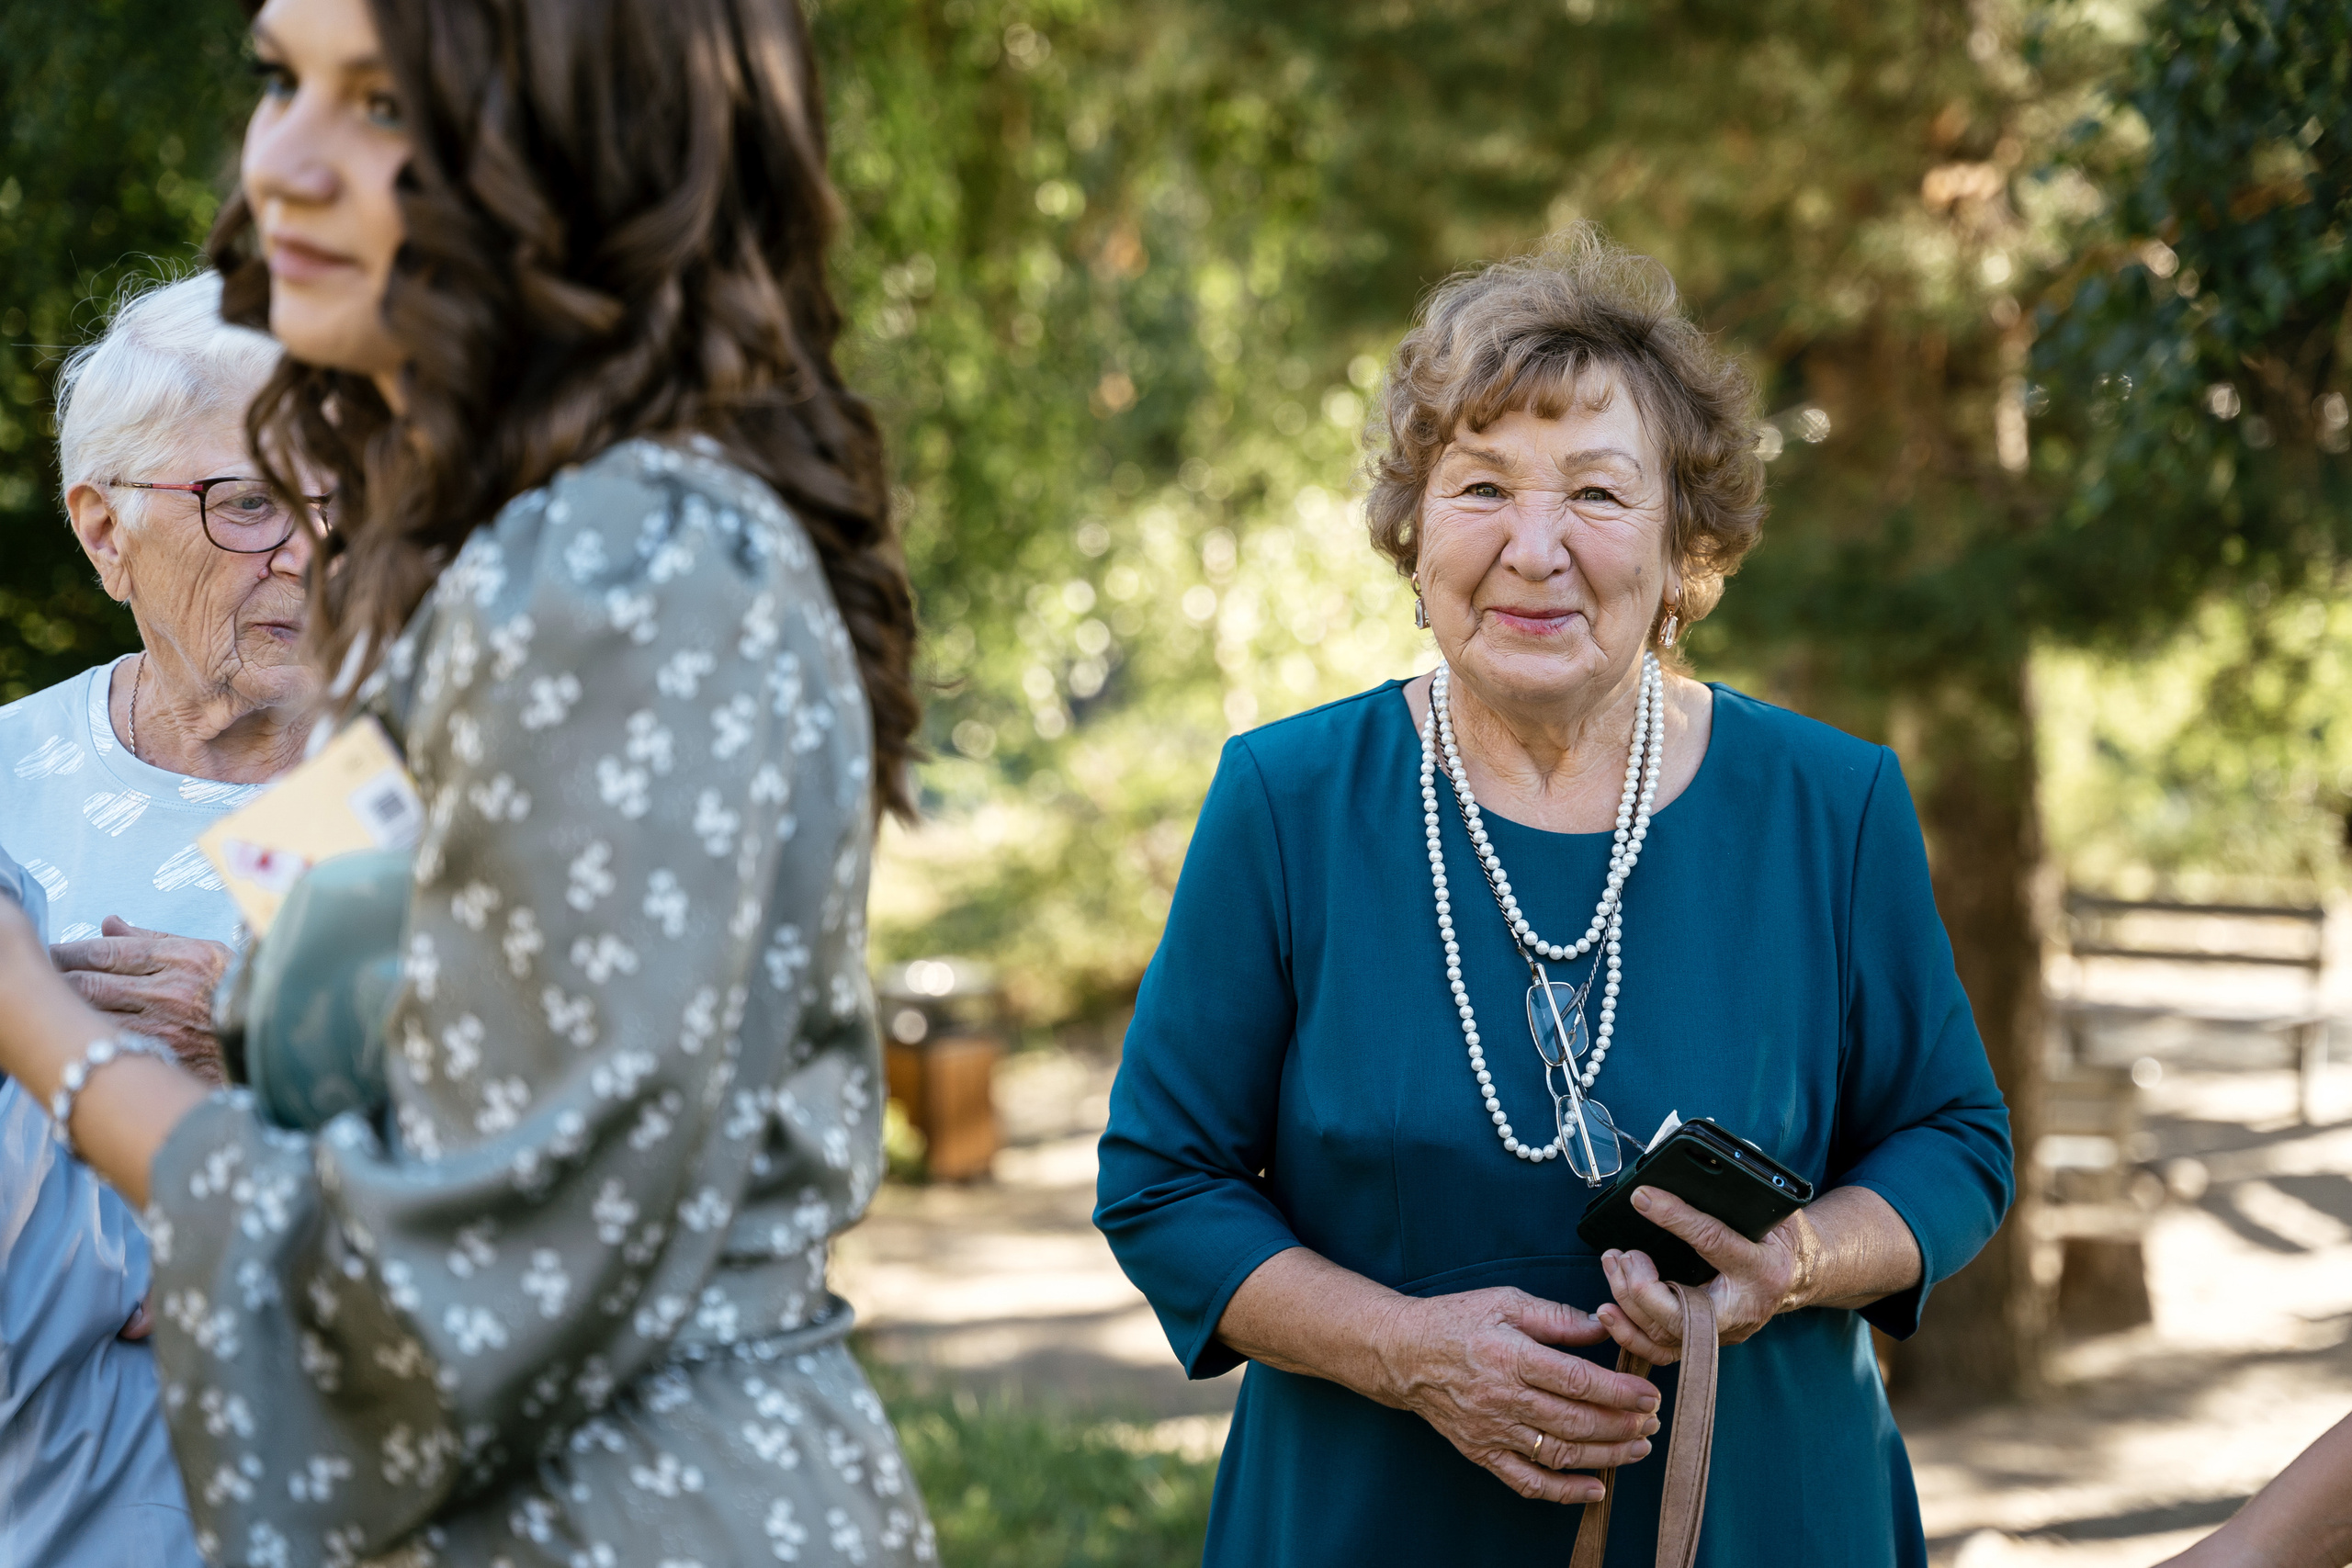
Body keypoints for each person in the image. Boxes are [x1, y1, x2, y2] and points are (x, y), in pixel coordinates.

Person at [0, 0, 932, 1561]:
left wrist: (44, 1028)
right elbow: (439, 1055)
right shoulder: (530, 563)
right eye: (282, 79)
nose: (283, 163)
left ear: (582, 159)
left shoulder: (617, 569)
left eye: (383, 105)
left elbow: (444, 1297)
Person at [1094, 229, 2015, 1566]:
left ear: (1683, 545)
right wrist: (1406, 1349)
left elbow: (1955, 1142)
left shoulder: (1832, 803)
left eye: (1596, 492)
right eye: (1481, 487)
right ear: (1415, 533)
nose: (1534, 549)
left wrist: (1797, 1262)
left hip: (1763, 1515)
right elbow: (1164, 1182)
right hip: (1372, 1523)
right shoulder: (1285, 802)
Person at [0, 270, 306, 1568]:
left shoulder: (435, 795)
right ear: (104, 529)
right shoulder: (9, 778)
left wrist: (267, 1048)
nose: (308, 550)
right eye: (250, 503)